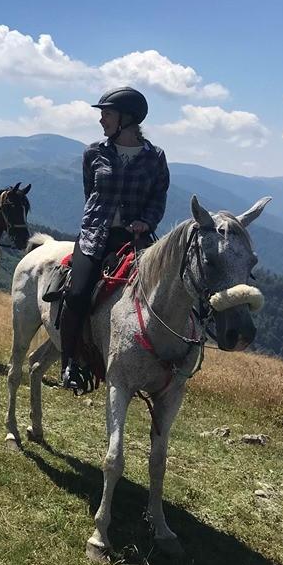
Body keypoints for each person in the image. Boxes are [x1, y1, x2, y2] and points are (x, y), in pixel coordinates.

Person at [59, 86, 170, 393]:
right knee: (77, 293)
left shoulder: (155, 158)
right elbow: (89, 193)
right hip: (96, 237)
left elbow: (158, 198)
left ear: (127, 118)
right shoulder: (94, 153)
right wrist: (98, 222)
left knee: (161, 295)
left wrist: (145, 221)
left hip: (136, 240)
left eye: (106, 114)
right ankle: (69, 363)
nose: (101, 120)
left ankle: (156, 362)